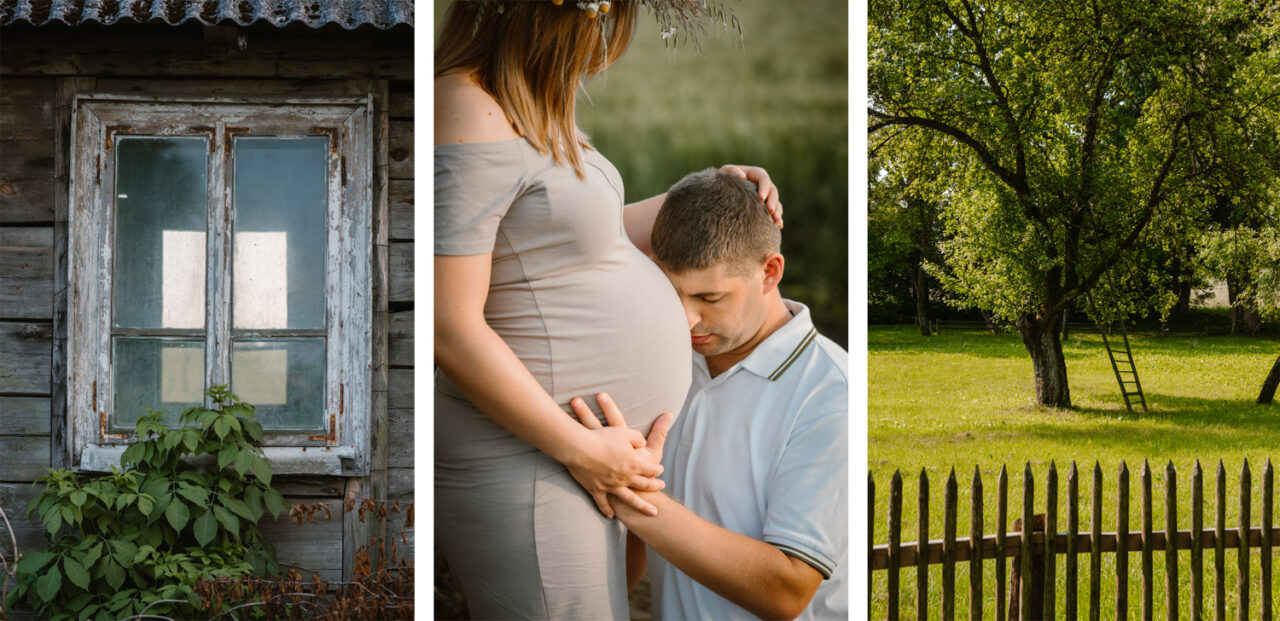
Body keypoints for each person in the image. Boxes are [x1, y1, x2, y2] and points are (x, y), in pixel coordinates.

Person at [433, 1, 782, 618]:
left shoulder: (530, 111)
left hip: (585, 454)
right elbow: (449, 324)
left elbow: (584, 243)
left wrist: (708, 195)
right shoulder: (467, 108)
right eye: (598, 22)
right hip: (537, 457)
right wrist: (580, 449)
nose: (599, 45)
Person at [569, 169, 848, 619]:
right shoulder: (667, 360)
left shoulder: (831, 394)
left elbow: (788, 590)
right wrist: (713, 180)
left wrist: (627, 490)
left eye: (710, 298)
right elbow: (564, 249)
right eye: (670, 291)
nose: (685, 320)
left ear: (770, 272)